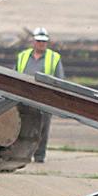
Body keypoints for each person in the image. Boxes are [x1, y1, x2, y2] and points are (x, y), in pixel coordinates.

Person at [15, 27, 63, 163]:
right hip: (24, 98)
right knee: (22, 126)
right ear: (33, 42)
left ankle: (39, 156)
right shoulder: (23, 56)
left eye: (43, 41)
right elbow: (14, 74)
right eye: (39, 41)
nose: (41, 44)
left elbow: (60, 80)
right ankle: (22, 154)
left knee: (42, 128)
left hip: (45, 100)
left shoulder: (54, 58)